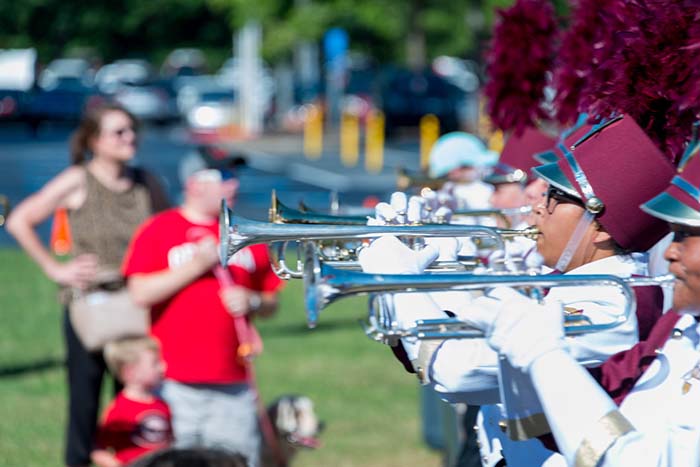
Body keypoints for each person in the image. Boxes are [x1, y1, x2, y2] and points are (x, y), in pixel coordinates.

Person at [358, 115, 673, 465]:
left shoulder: (613, 304)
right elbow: (467, 339)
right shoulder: (576, 283)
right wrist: (426, 274)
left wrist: (399, 282)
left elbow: (458, 372)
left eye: (556, 197)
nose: (538, 205)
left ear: (599, 227)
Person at [478, 138, 700, 466]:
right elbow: (601, 395)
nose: (669, 250)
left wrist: (542, 354)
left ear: (599, 226)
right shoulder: (680, 325)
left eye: (685, 235)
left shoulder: (618, 301)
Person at [5, 102, 169, 467]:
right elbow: (20, 220)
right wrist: (55, 269)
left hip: (138, 302)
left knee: (137, 401)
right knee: (85, 402)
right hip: (91, 306)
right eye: (119, 132)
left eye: (132, 130)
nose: (130, 138)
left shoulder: (146, 181)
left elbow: (167, 230)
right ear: (95, 140)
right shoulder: (79, 179)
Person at [122, 151, 283, 467]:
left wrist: (251, 300)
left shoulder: (246, 233)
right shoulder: (160, 229)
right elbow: (140, 293)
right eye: (223, 177)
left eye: (235, 177)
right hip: (173, 381)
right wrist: (196, 265)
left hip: (234, 382)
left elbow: (271, 301)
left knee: (237, 460)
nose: (233, 185)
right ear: (195, 184)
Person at [92, 336, 173, 467]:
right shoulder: (119, 409)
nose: (163, 367)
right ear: (130, 372)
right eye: (155, 363)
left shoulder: (162, 404)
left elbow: (170, 442)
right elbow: (98, 450)